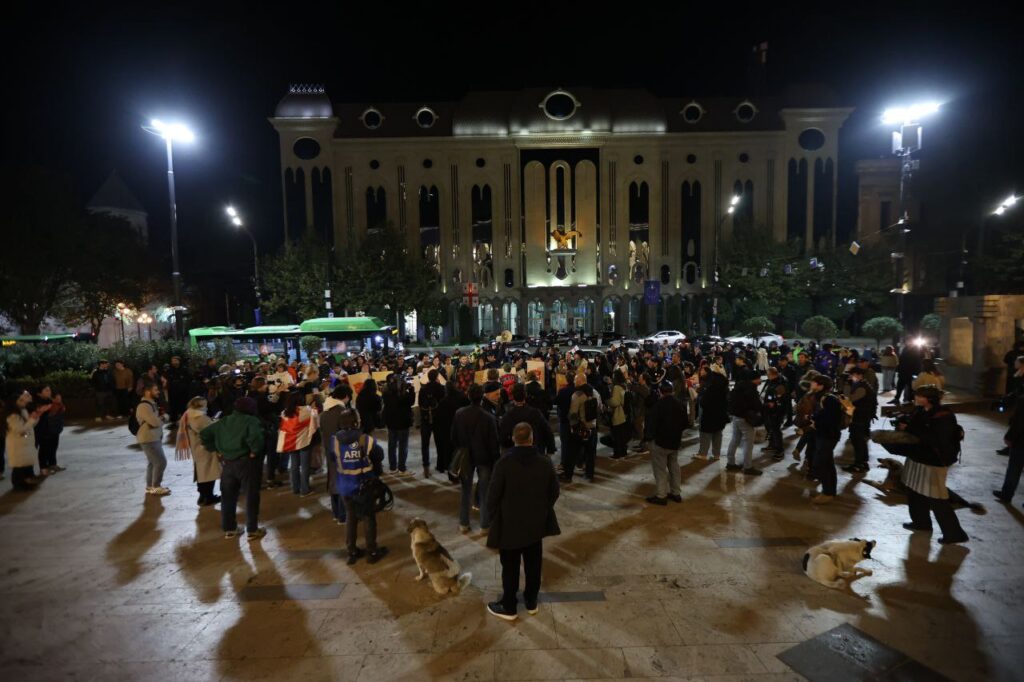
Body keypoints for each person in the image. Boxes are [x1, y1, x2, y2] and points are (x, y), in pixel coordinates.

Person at [484, 422, 561, 621]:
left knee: (509, 566)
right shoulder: (545, 463)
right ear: (532, 439)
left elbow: (492, 496)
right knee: (533, 564)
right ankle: (531, 601)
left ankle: (509, 605)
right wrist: (543, 509)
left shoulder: (504, 463)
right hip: (535, 524)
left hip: (509, 524)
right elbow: (554, 491)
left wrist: (494, 517)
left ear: (513, 439)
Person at [898, 385, 969, 544]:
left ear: (928, 398)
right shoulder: (922, 411)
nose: (916, 398)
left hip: (934, 461)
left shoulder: (943, 415)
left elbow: (934, 438)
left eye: (919, 396)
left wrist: (909, 427)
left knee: (937, 496)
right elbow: (917, 427)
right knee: (914, 490)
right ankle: (921, 522)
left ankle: (955, 533)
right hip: (918, 457)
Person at [200, 396, 266, 540]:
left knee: (228, 497)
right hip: (246, 463)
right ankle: (252, 530)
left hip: (227, 464)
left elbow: (204, 434)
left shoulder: (223, 421)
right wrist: (255, 451)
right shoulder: (251, 420)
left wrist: (216, 449)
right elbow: (256, 438)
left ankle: (230, 529)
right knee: (251, 496)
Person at [332, 412, 387, 564]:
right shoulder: (365, 439)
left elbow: (332, 458)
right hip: (364, 485)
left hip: (345, 486)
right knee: (368, 517)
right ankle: (372, 551)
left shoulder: (335, 440)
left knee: (351, 517)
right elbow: (379, 455)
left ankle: (352, 551)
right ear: (355, 422)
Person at [451, 384, 500, 533]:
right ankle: (485, 525)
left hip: (466, 456)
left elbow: (453, 436)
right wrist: (495, 460)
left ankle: (464, 523)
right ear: (482, 396)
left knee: (465, 491)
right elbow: (494, 442)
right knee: (484, 492)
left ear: (468, 396)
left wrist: (460, 449)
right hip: (484, 457)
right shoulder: (488, 417)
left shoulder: (459, 414)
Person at [645, 380, 688, 505]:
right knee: (674, 467)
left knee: (660, 469)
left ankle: (661, 495)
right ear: (672, 391)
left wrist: (649, 439)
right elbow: (686, 423)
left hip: (660, 443)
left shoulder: (658, 406)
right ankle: (676, 493)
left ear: (660, 392)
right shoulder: (680, 404)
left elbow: (651, 425)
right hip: (674, 442)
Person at [320, 384, 357, 524]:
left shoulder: (324, 412)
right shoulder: (342, 412)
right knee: (343, 482)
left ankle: (336, 513)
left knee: (333, 480)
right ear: (346, 396)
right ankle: (343, 515)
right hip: (343, 452)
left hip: (329, 450)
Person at [175, 396, 221, 506]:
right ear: (199, 405)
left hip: (196, 447)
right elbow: (209, 431)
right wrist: (216, 423)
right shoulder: (199, 417)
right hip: (205, 448)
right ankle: (208, 497)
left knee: (201, 473)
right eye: (205, 404)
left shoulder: (188, 414)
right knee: (208, 473)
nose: (207, 406)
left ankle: (202, 497)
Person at [4, 390, 49, 490]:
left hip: (25, 442)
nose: (23, 401)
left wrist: (36, 416)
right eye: (20, 400)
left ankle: (25, 482)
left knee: (24, 464)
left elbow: (30, 425)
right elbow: (20, 429)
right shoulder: (12, 416)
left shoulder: (23, 411)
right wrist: (32, 419)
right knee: (19, 466)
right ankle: (18, 485)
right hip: (17, 444)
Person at [808, 375, 843, 504]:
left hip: (828, 436)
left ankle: (827, 493)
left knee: (820, 464)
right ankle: (830, 491)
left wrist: (815, 423)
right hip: (823, 435)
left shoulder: (829, 400)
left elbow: (831, 420)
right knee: (827, 463)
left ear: (821, 386)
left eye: (813, 383)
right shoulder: (821, 398)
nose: (811, 384)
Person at [277, 390, 318, 497]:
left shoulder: (284, 413)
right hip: (304, 442)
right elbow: (315, 423)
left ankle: (295, 488)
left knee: (294, 465)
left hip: (291, 443)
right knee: (305, 466)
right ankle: (305, 489)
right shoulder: (307, 411)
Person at [135, 378, 170, 496]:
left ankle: (150, 486)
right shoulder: (144, 406)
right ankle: (156, 486)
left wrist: (161, 419)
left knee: (152, 462)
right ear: (147, 391)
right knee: (161, 462)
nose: (158, 392)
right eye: (155, 390)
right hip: (148, 438)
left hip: (153, 436)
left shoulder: (151, 404)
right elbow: (154, 422)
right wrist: (164, 418)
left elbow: (156, 420)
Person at [499, 383, 555, 456]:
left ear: (512, 396)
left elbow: (503, 438)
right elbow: (547, 431)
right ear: (525, 395)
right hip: (535, 452)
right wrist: (550, 449)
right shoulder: (536, 413)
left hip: (515, 454)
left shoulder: (507, 416)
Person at [724, 370, 763, 476]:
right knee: (748, 443)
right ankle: (748, 466)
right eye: (759, 378)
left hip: (735, 416)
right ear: (755, 379)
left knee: (735, 439)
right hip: (746, 418)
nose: (760, 380)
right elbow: (756, 405)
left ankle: (730, 463)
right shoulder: (751, 389)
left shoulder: (739, 386)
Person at [565, 373, 602, 483]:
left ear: (580, 381)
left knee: (572, 452)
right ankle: (589, 475)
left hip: (580, 428)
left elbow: (573, 413)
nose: (574, 382)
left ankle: (568, 475)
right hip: (593, 427)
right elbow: (599, 408)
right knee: (591, 453)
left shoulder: (577, 394)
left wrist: (573, 426)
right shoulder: (595, 392)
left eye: (576, 380)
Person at [994, 374, 1024, 506]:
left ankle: (1007, 494)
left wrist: (1009, 437)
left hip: (1021, 442)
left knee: (1014, 468)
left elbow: (1019, 423)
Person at [843, 366, 877, 474]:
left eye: (852, 375)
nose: (850, 377)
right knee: (860, 440)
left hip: (860, 417)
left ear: (859, 375)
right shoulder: (861, 385)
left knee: (857, 440)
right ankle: (863, 462)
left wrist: (847, 385)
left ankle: (859, 464)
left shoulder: (862, 387)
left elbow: (849, 399)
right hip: (862, 416)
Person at [434, 383, 468, 477]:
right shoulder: (463, 397)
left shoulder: (444, 401)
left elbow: (438, 418)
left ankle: (450, 470)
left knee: (449, 450)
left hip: (447, 428)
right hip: (461, 427)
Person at [382, 375, 415, 474]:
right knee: (403, 445)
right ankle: (402, 468)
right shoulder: (404, 395)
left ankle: (393, 468)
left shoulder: (386, 394)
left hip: (391, 422)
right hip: (403, 423)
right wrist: (412, 390)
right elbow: (412, 402)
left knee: (392, 444)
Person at [694, 365, 728, 460]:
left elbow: (704, 402)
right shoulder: (723, 388)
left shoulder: (711, 388)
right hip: (720, 414)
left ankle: (703, 454)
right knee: (718, 434)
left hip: (709, 414)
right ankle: (716, 455)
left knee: (705, 434)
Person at [418, 369, 446, 477]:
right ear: (437, 377)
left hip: (425, 419)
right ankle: (441, 466)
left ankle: (426, 467)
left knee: (425, 444)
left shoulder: (423, 389)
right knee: (439, 442)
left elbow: (420, 404)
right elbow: (443, 403)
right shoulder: (441, 388)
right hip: (438, 419)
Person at [34, 385, 65, 475]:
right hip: (43, 429)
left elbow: (61, 409)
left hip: (53, 428)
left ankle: (53, 464)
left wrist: (58, 403)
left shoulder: (51, 400)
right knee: (44, 449)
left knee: (53, 447)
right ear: (39, 393)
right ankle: (43, 468)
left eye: (49, 390)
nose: (49, 392)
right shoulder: (37, 402)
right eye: (46, 390)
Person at [761, 367, 788, 460]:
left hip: (777, 411)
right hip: (768, 408)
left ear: (774, 374)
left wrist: (775, 404)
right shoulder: (771, 381)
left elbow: (782, 398)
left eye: (768, 374)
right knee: (770, 428)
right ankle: (772, 445)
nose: (767, 376)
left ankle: (780, 451)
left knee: (776, 430)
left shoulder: (780, 383)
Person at [605, 371, 631, 459]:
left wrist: (607, 400)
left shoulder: (616, 387)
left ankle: (617, 454)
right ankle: (623, 452)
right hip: (624, 414)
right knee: (622, 435)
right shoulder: (624, 386)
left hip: (618, 414)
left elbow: (615, 402)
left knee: (616, 436)